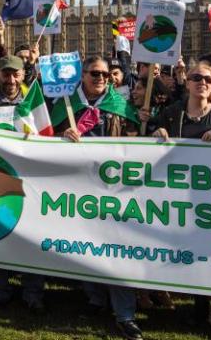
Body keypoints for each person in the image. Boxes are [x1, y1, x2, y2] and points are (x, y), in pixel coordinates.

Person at [149, 61, 211, 339]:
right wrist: (156, 133)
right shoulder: (172, 114)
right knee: (194, 255)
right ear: (187, 82)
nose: (201, 82)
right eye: (195, 77)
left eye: (207, 78)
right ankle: (199, 307)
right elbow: (151, 135)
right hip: (183, 199)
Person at [56, 56, 143, 340]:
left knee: (118, 250)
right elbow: (45, 136)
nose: (101, 79)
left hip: (113, 190)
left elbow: (135, 141)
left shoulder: (118, 105)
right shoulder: (66, 105)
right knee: (85, 245)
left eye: (105, 74)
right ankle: (95, 299)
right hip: (79, 190)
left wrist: (145, 128)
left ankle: (125, 314)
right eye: (95, 73)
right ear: (83, 76)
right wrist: (61, 135)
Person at [0, 56, 45, 311]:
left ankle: (33, 293)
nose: (10, 80)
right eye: (5, 74)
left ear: (21, 75)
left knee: (31, 237)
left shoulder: (35, 100)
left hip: (29, 179)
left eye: (15, 74)